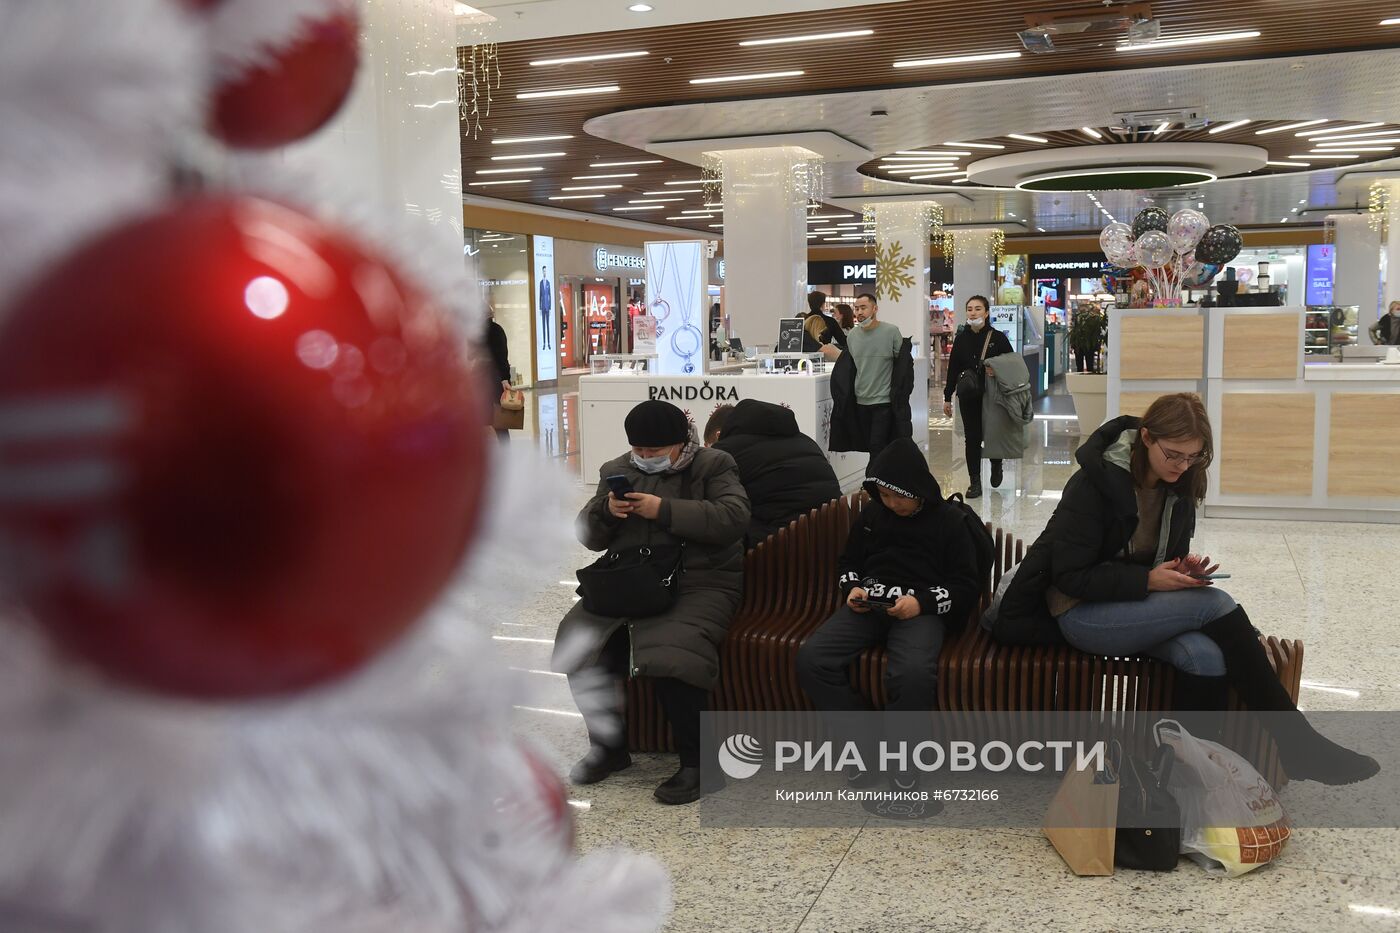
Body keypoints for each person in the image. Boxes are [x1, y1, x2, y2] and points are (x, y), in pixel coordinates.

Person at [996, 393, 1378, 785]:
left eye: (1193, 457)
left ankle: (1186, 778)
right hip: (1081, 613)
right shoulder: (1094, 484)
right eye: (1174, 454)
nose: (1183, 465)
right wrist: (1147, 580)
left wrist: (1180, 570)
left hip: (1136, 607)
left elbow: (1163, 554)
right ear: (1145, 437)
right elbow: (1070, 576)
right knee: (1215, 604)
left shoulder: (1180, 481)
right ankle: (1297, 743)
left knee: (1206, 655)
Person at [553, 400, 750, 804]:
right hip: (628, 579)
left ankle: (697, 762)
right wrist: (608, 512)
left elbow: (733, 517)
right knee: (582, 647)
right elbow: (588, 535)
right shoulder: (617, 470)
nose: (645, 459)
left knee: (673, 655)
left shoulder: (714, 465)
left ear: (681, 444)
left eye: (655, 452)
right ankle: (608, 747)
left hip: (699, 580)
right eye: (639, 451)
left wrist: (664, 509)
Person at [796, 438, 980, 788]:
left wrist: (922, 603)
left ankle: (901, 756)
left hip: (920, 612)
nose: (892, 504)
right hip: (869, 605)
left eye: (899, 496)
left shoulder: (950, 523)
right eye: (884, 495)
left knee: (911, 674)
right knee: (813, 658)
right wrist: (851, 589)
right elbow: (849, 562)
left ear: (918, 489)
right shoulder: (873, 514)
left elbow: (966, 586)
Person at [705, 400, 842, 547]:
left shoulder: (726, 450)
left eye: (708, 445)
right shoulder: (805, 440)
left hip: (781, 543)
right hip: (832, 531)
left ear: (718, 435)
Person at [825, 293, 912, 460]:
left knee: (876, 445)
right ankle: (880, 481)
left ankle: (870, 483)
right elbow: (850, 367)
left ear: (875, 309)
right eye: (856, 308)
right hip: (860, 401)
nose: (859, 312)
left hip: (883, 401)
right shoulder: (853, 336)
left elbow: (902, 365)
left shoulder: (891, 331)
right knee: (869, 445)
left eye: (863, 308)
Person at [943, 295, 1013, 499]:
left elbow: (1012, 362)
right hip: (968, 396)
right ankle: (975, 481)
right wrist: (948, 396)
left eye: (978, 309)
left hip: (993, 394)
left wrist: (997, 369)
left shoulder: (998, 337)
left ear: (987, 312)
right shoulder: (961, 338)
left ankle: (996, 464)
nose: (973, 312)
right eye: (970, 309)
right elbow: (953, 368)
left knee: (992, 434)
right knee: (972, 438)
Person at [485, 309, 512, 443]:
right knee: (501, 423)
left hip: (485, 382)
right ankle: (504, 451)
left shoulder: (480, 333)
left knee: (485, 421)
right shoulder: (498, 330)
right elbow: (503, 358)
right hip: (497, 382)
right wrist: (505, 378)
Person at [538, 266, 552, 350]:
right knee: (543, 326)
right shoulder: (540, 283)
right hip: (543, 307)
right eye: (543, 271)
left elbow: (549, 295)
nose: (544, 273)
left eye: (545, 271)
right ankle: (544, 343)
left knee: (548, 326)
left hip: (547, 307)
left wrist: (550, 307)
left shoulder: (548, 283)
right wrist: (540, 307)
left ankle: (549, 343)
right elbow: (540, 295)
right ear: (542, 272)